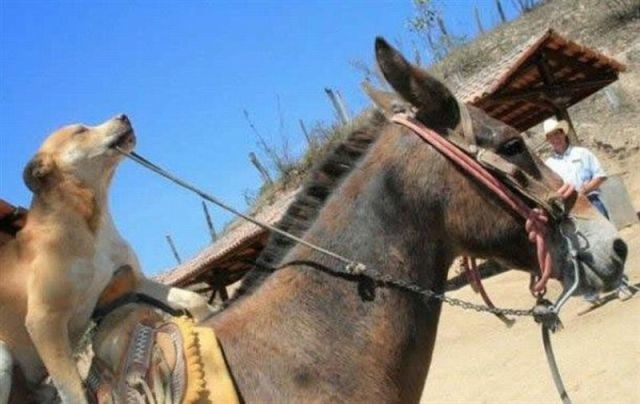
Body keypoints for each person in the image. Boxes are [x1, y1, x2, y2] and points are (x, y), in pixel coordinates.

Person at [543, 118, 633, 302]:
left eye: (557, 133)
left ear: (563, 133)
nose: (555, 138)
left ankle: (621, 284)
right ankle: (591, 291)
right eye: (551, 136)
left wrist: (582, 191)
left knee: (605, 245)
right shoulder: (548, 165)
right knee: (576, 250)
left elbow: (600, 176)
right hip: (566, 212)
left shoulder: (582, 153)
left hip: (591, 203)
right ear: (548, 140)